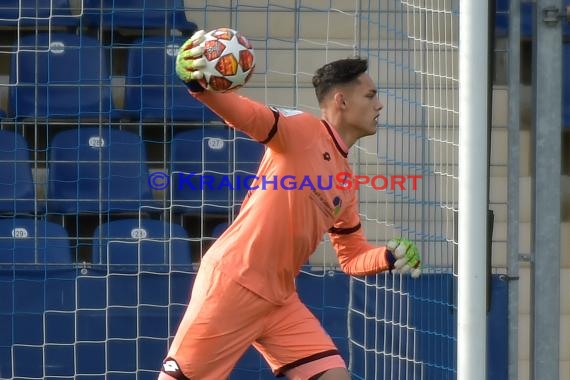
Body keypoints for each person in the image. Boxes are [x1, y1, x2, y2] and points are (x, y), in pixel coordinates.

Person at [158, 30, 422, 380]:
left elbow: (351, 256)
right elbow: (245, 115)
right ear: (342, 101)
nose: (379, 104)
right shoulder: (301, 129)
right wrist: (197, 86)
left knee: (335, 376)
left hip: (280, 301)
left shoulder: (345, 180)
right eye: (371, 95)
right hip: (235, 282)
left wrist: (388, 257)